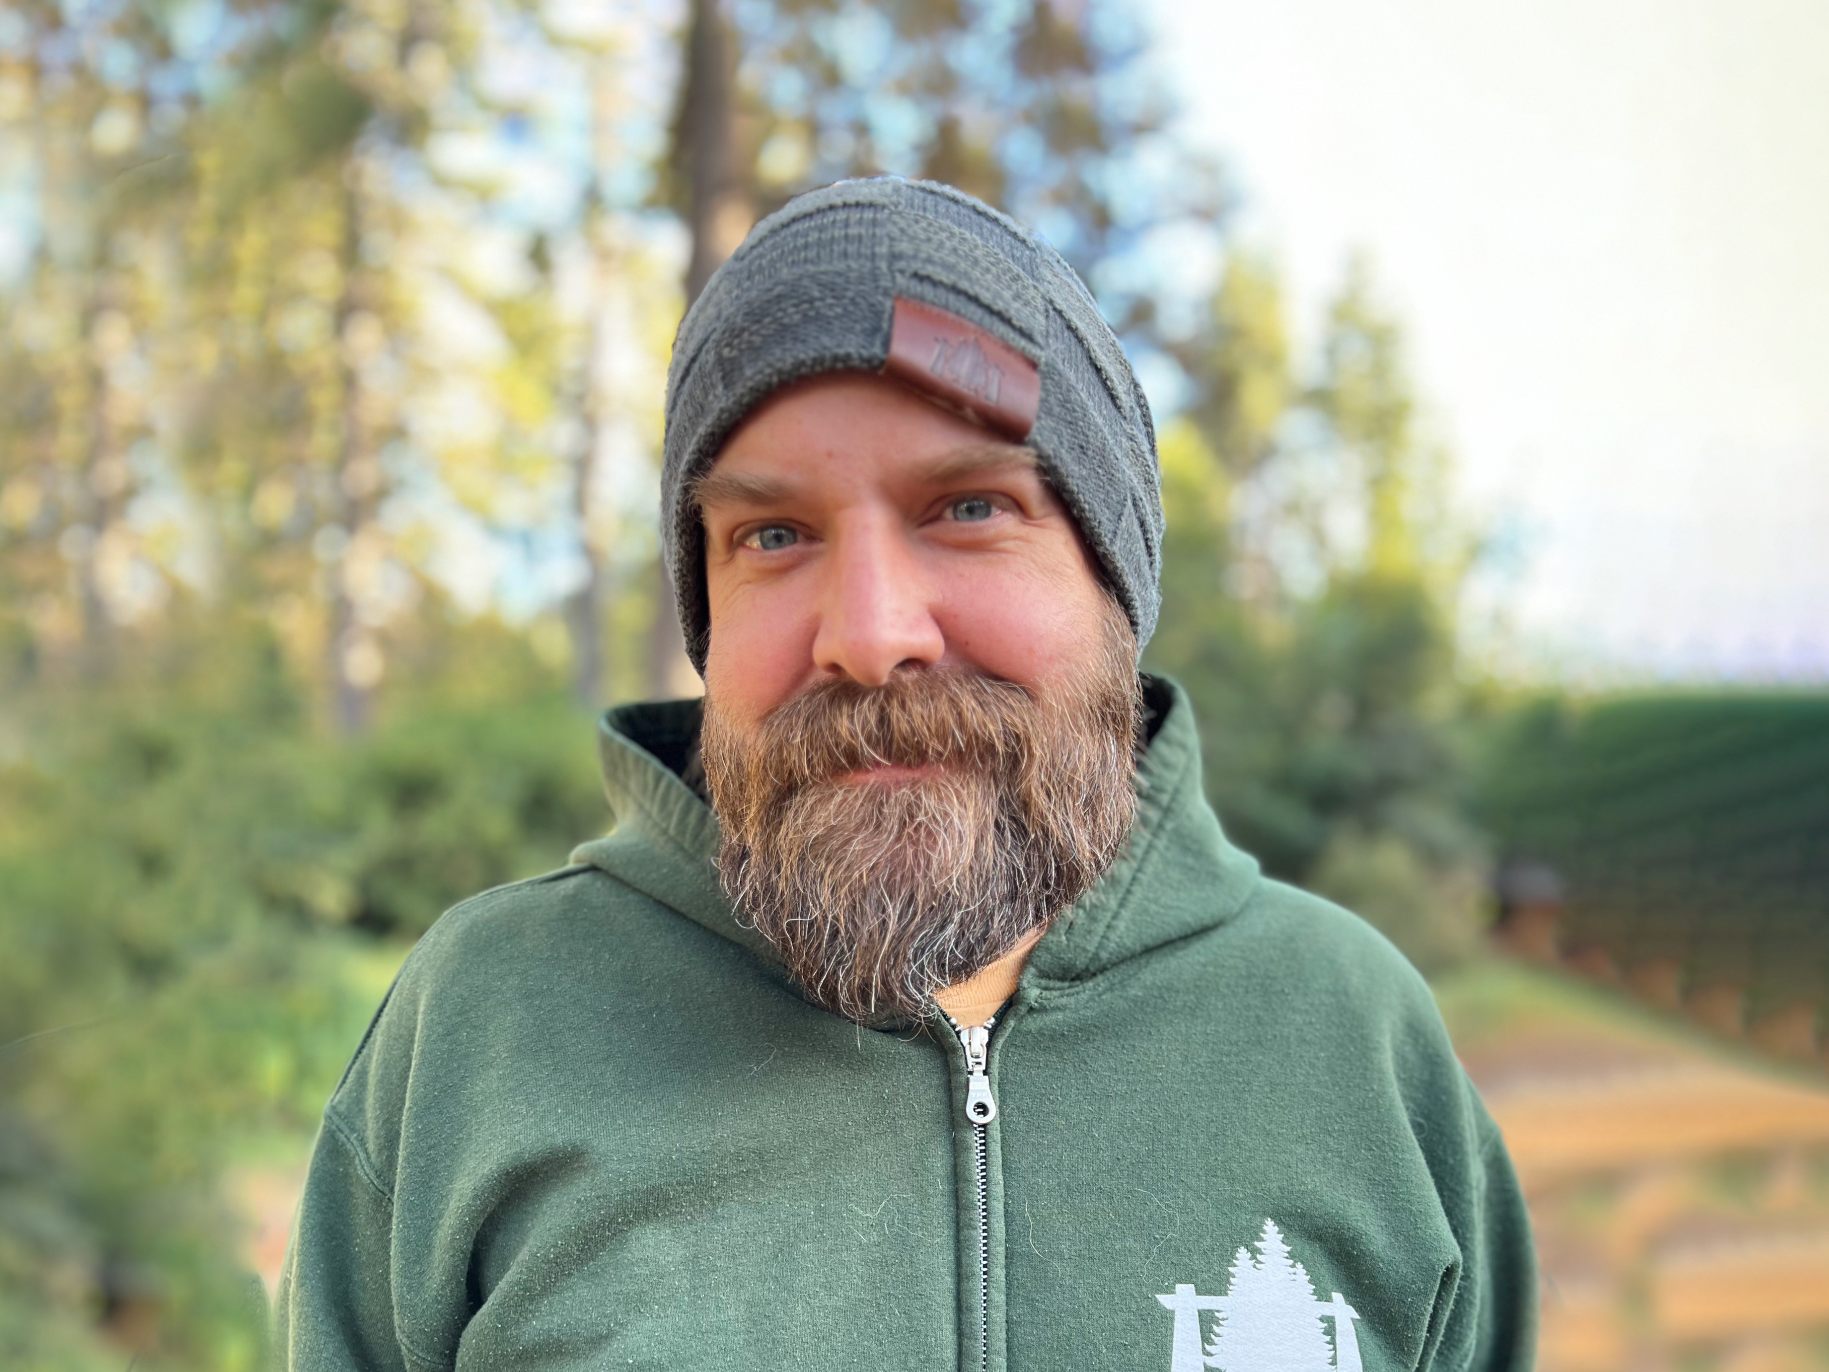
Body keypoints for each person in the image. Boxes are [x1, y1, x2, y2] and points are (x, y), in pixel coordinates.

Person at [274, 176, 1536, 1371]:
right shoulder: (487, 1029)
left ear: (1115, 578)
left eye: (967, 508)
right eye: (771, 535)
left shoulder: (1353, 1042)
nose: (870, 635)